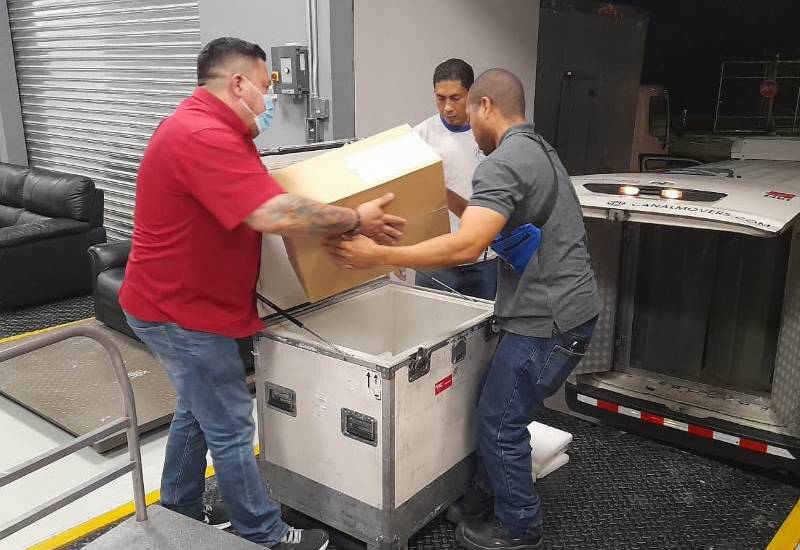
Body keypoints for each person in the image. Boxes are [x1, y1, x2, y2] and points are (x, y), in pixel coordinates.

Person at [119, 37, 405, 550]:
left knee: (197, 410)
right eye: (265, 86)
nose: (270, 98)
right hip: (179, 312)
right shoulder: (202, 135)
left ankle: (179, 510)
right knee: (230, 422)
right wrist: (354, 219)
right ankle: (266, 533)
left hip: (185, 303)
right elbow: (273, 212)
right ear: (238, 84)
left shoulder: (216, 130)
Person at [327, 68, 600, 550]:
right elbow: (476, 215)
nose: (467, 128)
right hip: (563, 309)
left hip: (549, 319)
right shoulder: (538, 149)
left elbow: (469, 245)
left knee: (501, 420)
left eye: (468, 112)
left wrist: (379, 255)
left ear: (485, 106)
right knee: (494, 406)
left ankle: (519, 526)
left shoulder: (503, 162)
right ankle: (487, 492)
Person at [412, 58, 497, 300]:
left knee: (485, 322)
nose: (447, 107)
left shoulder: (491, 135)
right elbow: (407, 194)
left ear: (471, 94)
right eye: (440, 98)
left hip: (484, 258)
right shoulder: (421, 136)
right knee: (432, 320)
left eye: (455, 98)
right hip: (437, 257)